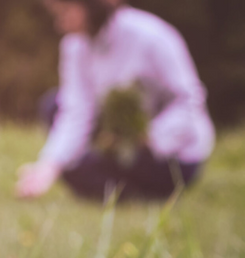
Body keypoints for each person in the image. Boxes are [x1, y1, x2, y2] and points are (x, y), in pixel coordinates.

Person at [16, 0, 215, 202]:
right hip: (119, 147)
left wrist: (149, 138)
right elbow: (77, 110)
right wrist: (49, 166)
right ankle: (121, 189)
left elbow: (189, 101)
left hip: (170, 157)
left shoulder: (150, 36)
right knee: (53, 106)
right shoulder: (75, 45)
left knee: (84, 168)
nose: (59, 24)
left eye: (65, 12)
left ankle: (127, 189)